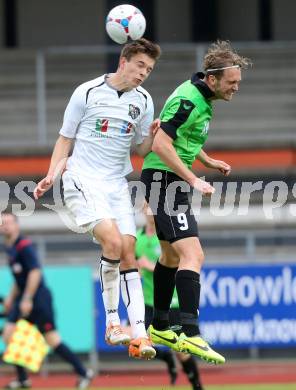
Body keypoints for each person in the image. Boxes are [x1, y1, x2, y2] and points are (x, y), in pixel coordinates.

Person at [34, 38, 161, 359]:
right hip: (81, 178)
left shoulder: (144, 101)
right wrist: (51, 174)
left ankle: (140, 334)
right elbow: (65, 139)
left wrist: (152, 136)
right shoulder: (87, 92)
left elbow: (142, 151)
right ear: (124, 61)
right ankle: (112, 322)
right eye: (140, 66)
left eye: (149, 69)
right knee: (114, 244)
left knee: (129, 250)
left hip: (116, 184)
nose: (144, 73)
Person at [141, 40, 252, 364]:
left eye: (238, 82)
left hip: (165, 180)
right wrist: (192, 178)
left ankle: (160, 325)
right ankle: (190, 333)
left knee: (171, 256)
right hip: (166, 180)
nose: (235, 88)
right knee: (194, 254)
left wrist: (207, 160)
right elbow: (161, 145)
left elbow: (181, 138)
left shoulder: (200, 96)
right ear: (213, 78)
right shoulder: (191, 100)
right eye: (232, 82)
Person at [0, 213, 94, 389]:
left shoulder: (24, 246)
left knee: (52, 340)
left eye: (8, 223)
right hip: (23, 298)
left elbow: (35, 272)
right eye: (2, 223)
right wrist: (11, 298)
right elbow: (19, 277)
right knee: (8, 334)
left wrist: (27, 299)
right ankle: (22, 379)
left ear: (16, 225)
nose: (4, 226)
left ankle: (84, 372)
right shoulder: (9, 247)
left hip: (38, 299)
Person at [136, 204, 204, 390]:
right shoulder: (137, 238)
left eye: (153, 207)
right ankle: (166, 358)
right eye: (147, 207)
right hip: (149, 302)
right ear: (143, 210)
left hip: (172, 301)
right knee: (134, 339)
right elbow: (132, 264)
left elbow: (182, 263)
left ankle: (197, 385)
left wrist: (149, 266)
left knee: (181, 350)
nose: (151, 211)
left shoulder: (167, 235)